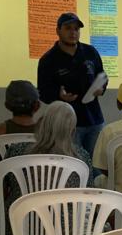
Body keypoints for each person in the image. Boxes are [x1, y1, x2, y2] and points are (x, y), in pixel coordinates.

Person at [0, 102, 92, 235]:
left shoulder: (16, 151)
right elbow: (86, 195)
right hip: (63, 232)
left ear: (43, 124)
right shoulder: (81, 158)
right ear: (72, 130)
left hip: (17, 227)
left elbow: (2, 188)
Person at [36, 12, 108, 159]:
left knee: (97, 164)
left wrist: (102, 88)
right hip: (66, 124)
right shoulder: (48, 60)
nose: (73, 32)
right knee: (74, 164)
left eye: (76, 29)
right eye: (68, 28)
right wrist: (58, 95)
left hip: (94, 119)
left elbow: (102, 76)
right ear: (58, 31)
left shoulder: (90, 52)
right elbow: (42, 92)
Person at [0, 80, 42, 204]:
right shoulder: (46, 135)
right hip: (37, 201)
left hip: (1, 202)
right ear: (37, 106)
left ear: (7, 106)